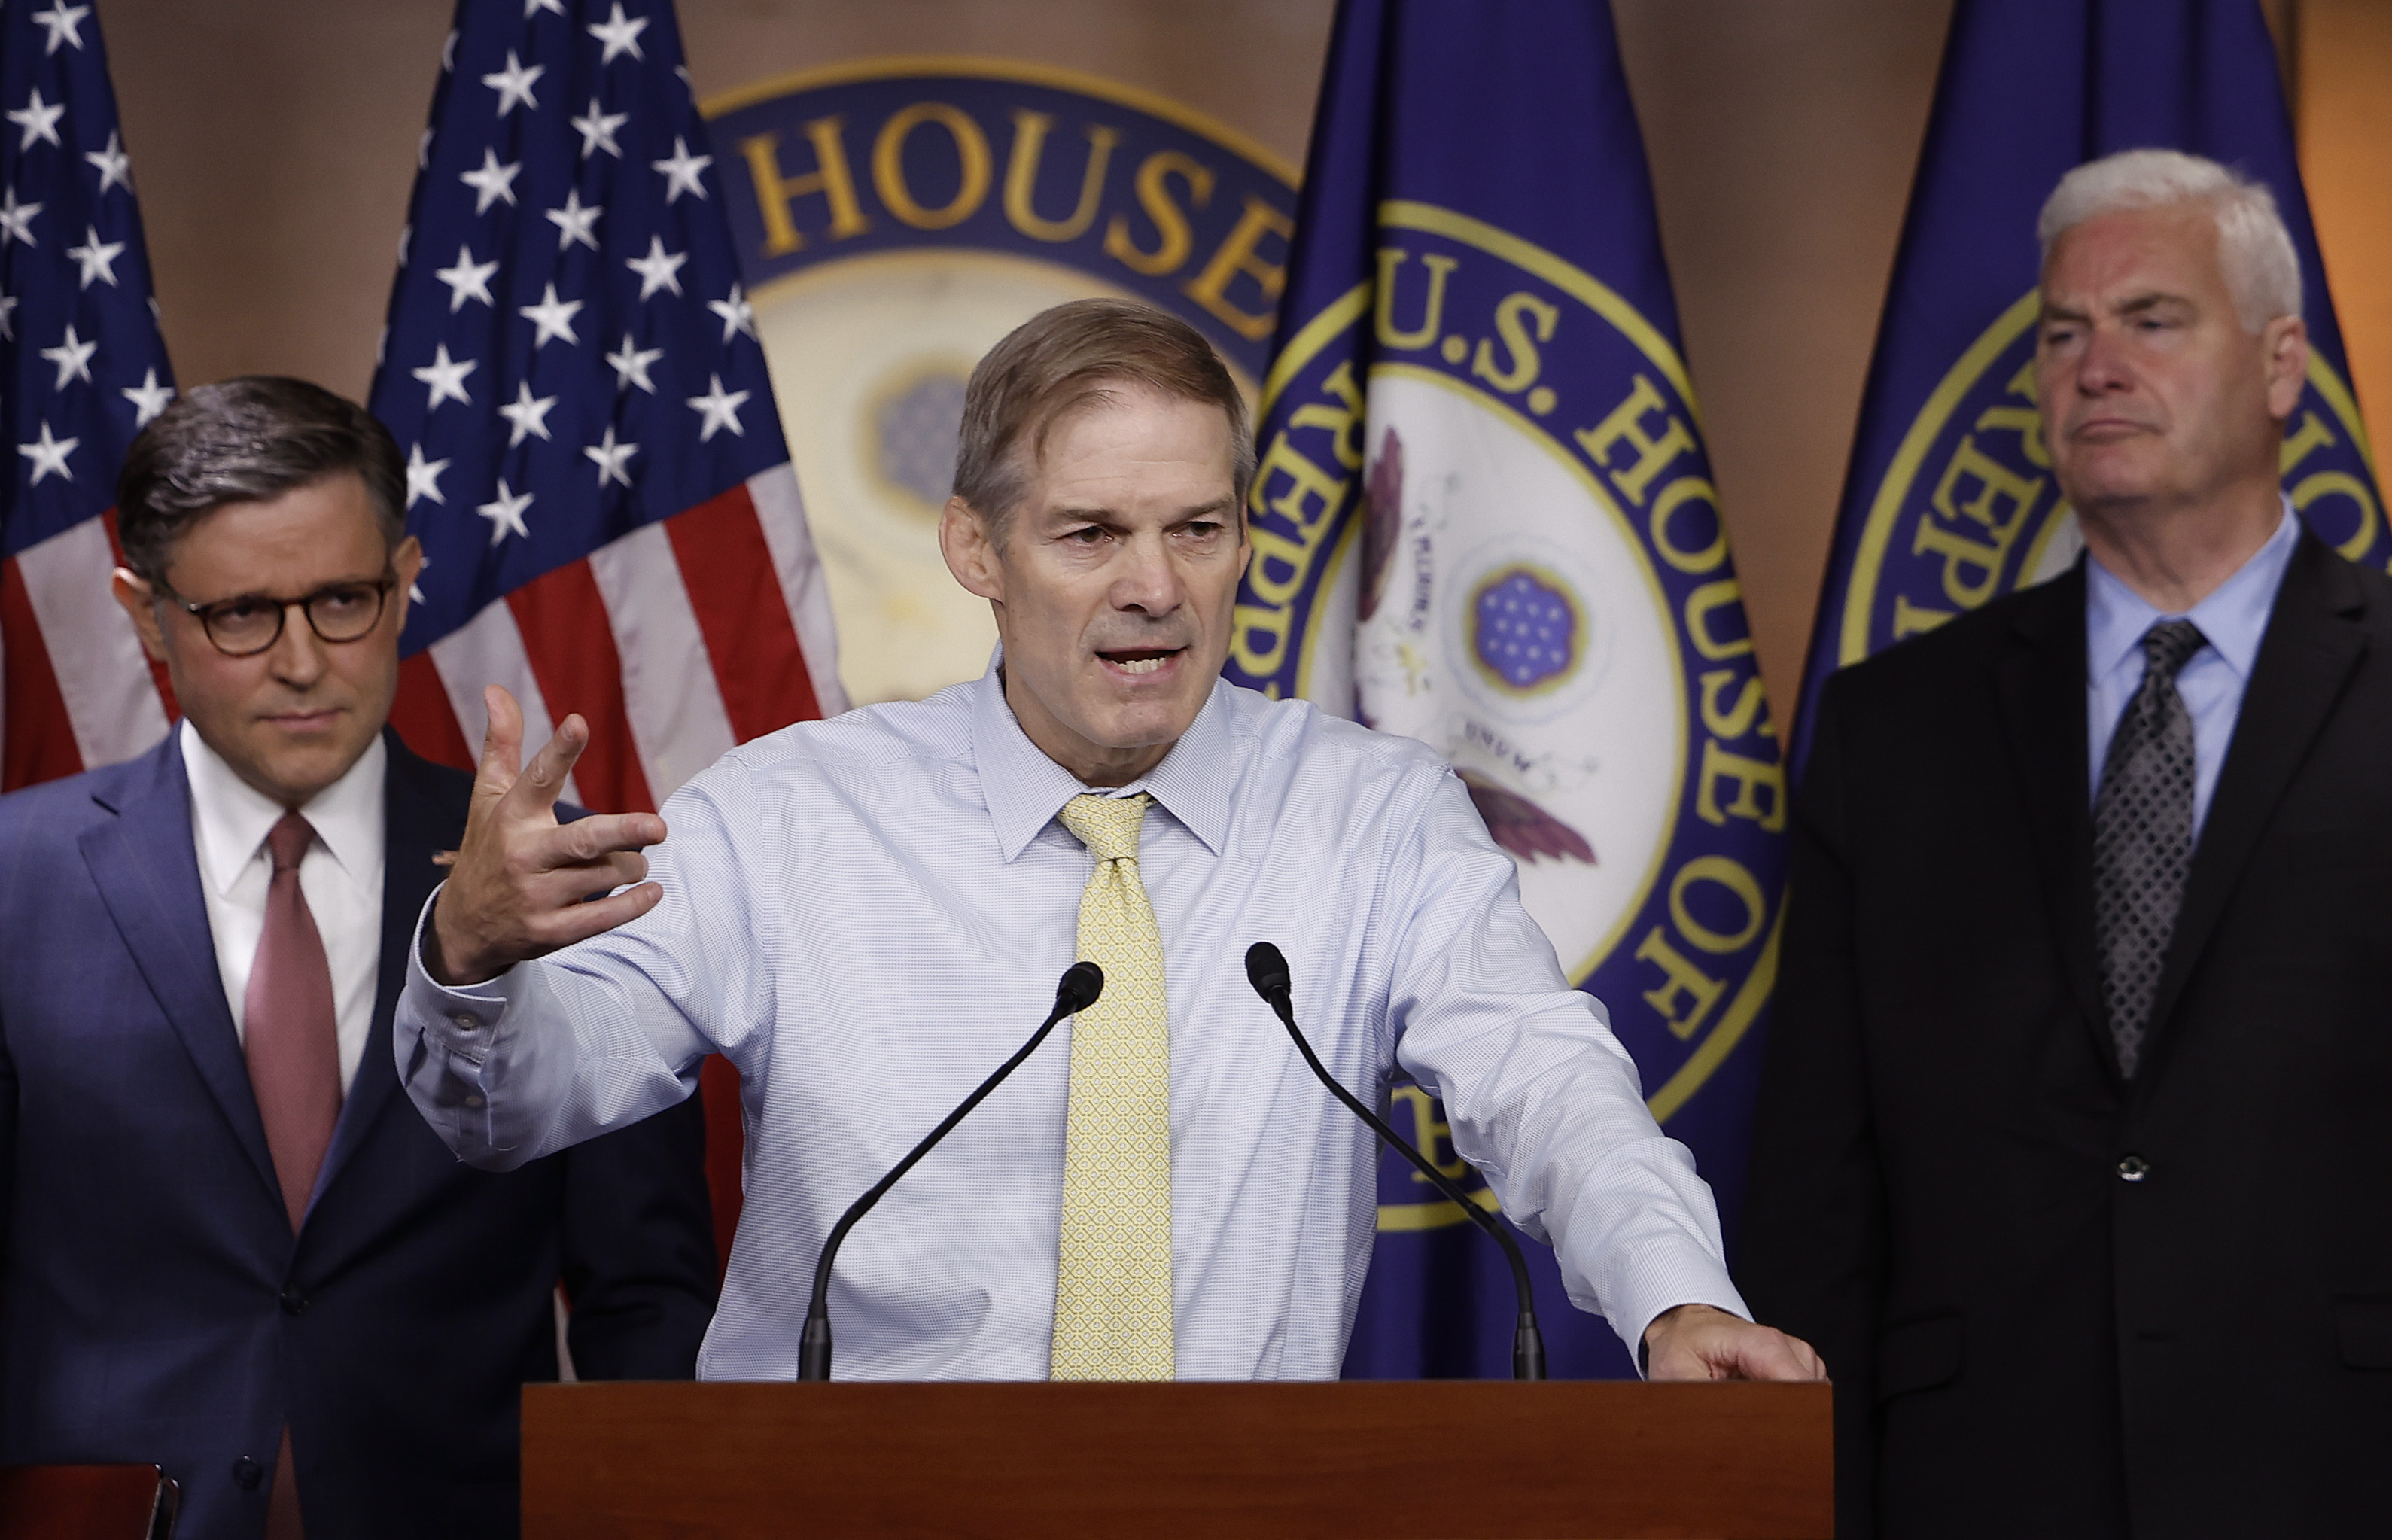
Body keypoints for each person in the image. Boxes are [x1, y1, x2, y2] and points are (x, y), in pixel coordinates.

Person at [397, 298, 1823, 1384]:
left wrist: (1671, 1293)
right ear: (975, 549)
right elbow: (514, 1107)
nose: (1156, 587)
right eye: (1090, 534)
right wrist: (469, 955)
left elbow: (1546, 1080)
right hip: (851, 1509)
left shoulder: (1368, 815)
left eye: (1198, 527)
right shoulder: (790, 814)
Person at [1742, 149, 2392, 1538]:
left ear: (2282, 365)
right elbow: (1818, 1194)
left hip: (2334, 1468)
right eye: (2061, 333)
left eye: (2151, 321)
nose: (2095, 366)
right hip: (1978, 1479)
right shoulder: (1892, 727)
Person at [0, 378, 719, 1540]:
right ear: (145, 616)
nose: (300, 661)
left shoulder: (552, 879)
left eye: (342, 598)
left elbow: (647, 1296)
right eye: (241, 613)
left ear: (405, 580)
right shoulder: (15, 880)